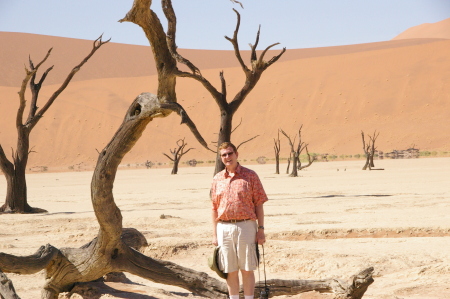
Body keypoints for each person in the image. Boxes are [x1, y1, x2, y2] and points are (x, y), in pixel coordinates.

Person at [211, 142, 268, 299]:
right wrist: (215, 234)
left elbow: (259, 204)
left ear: (236, 154)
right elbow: (214, 208)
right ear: (221, 158)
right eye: (224, 155)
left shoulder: (250, 176)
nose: (227, 157)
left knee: (247, 268)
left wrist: (261, 229)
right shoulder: (217, 179)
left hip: (246, 226)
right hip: (224, 228)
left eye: (230, 153)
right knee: (230, 269)